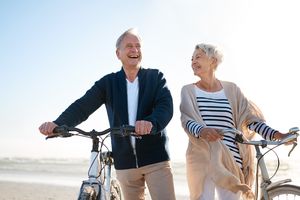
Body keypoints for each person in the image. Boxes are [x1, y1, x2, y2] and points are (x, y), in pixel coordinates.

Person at [39, 28, 176, 200]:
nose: (134, 50)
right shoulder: (108, 83)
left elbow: (165, 106)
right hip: (125, 162)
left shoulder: (155, 77)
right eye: (129, 46)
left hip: (155, 159)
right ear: (118, 53)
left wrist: (151, 122)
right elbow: (83, 106)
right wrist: (58, 124)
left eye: (138, 46)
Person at [180, 43, 289, 200]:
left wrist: (277, 135)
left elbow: (250, 120)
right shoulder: (188, 90)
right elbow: (187, 120)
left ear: (213, 61)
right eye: (191, 59)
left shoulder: (232, 89)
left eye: (198, 57)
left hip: (231, 159)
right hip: (202, 158)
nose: (193, 62)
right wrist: (202, 131)